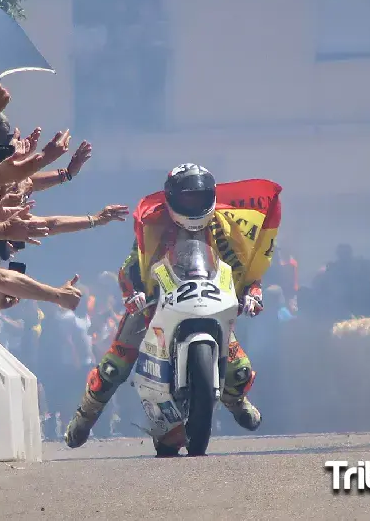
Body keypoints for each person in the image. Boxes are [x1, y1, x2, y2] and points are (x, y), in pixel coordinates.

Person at [64, 163, 283, 454]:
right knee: (114, 365)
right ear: (171, 198)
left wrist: (253, 293)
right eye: (186, 198)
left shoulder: (226, 228)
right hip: (155, 305)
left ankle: (235, 400)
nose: (193, 204)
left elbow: (246, 270)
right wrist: (133, 294)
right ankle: (85, 417)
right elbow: (131, 267)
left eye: (199, 197)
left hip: (207, 302)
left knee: (240, 369)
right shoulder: (153, 225)